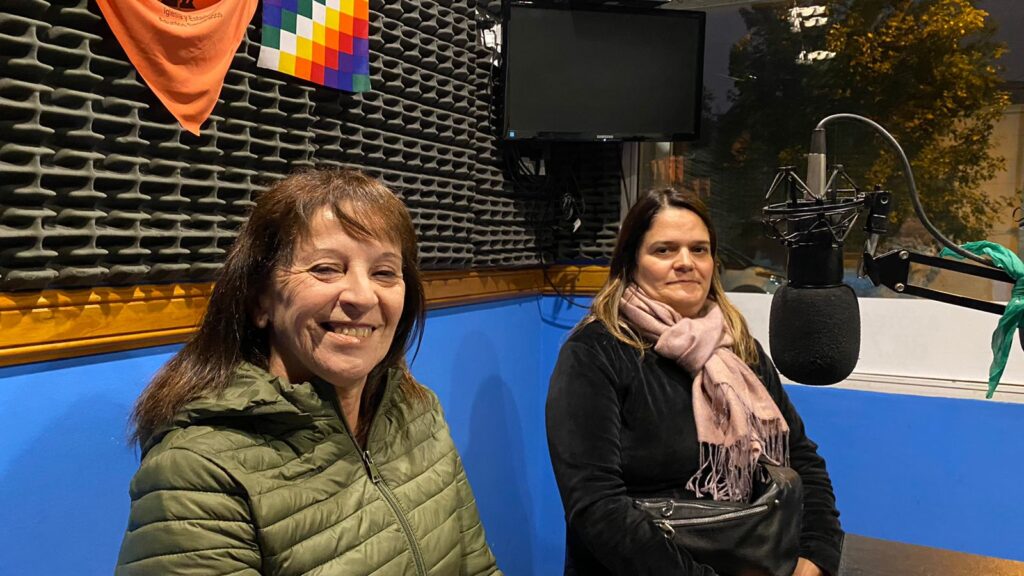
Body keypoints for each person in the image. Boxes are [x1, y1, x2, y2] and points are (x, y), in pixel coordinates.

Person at [115, 169, 502, 576]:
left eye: (384, 272)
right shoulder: (196, 472)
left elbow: (478, 568)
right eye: (325, 268)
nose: (360, 296)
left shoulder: (419, 413)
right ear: (261, 300)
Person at [546, 188, 843, 576]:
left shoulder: (739, 348)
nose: (686, 263)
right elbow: (596, 505)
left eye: (699, 250)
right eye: (664, 250)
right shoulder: (594, 353)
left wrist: (816, 553)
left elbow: (800, 457)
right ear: (631, 262)